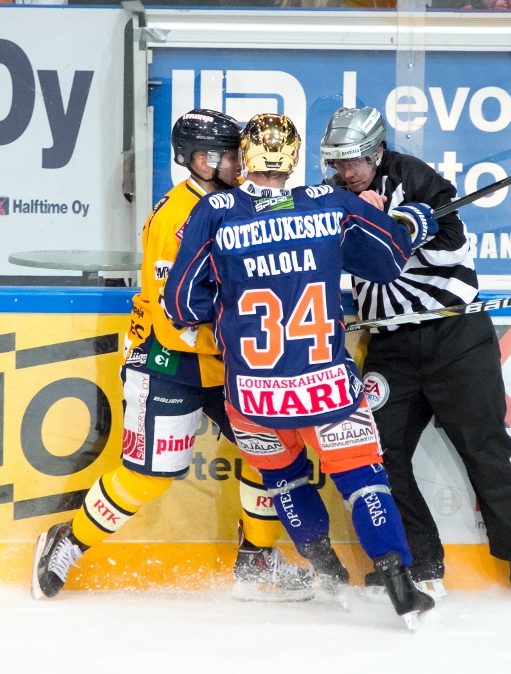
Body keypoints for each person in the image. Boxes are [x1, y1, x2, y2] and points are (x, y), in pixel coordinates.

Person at [163, 113, 438, 628]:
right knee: (365, 482)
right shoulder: (329, 203)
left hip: (252, 394)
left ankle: (325, 569)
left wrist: (226, 305)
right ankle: (400, 582)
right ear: (294, 159)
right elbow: (388, 260)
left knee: (285, 482)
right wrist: (399, 218)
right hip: (326, 387)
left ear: (244, 158)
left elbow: (181, 301)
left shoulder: (216, 210)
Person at [31, 109, 313, 603]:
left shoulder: (235, 202)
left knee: (272, 449)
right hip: (169, 359)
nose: (242, 162)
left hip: (226, 361)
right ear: (201, 161)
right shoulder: (176, 219)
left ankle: (257, 559)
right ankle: (67, 541)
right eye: (232, 155)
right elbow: (178, 314)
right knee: (148, 474)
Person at [319, 106, 511, 597]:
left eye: (354, 161)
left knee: (484, 444)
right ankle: (418, 560)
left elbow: (448, 246)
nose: (346, 172)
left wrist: (392, 223)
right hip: (391, 344)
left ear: (377, 151)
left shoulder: (419, 179)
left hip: (455, 336)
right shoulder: (334, 197)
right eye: (338, 164)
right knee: (380, 454)